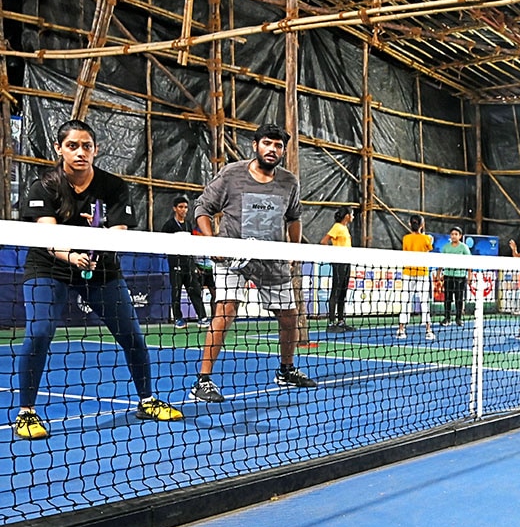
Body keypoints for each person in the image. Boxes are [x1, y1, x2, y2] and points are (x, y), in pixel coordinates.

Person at [14, 118, 183, 440]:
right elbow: (48, 236)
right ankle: (27, 413)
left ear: (96, 150)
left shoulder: (114, 187)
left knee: (133, 336)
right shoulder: (44, 186)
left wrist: (96, 249)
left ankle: (146, 400)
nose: (80, 152)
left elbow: (119, 230)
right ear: (59, 149)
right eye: (73, 146)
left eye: (87, 146)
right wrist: (72, 255)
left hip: (101, 268)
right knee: (39, 332)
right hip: (50, 267)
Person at [189, 122, 317, 403]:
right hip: (232, 257)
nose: (272, 150)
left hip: (271, 261)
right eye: (267, 144)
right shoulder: (232, 175)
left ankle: (285, 370)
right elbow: (202, 208)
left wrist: (294, 250)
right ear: (255, 145)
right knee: (225, 310)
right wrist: (213, 242)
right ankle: (203, 381)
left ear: (283, 150)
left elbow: (294, 217)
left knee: (289, 316)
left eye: (278, 145)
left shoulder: (289, 182)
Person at [160, 195, 210, 329]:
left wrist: (194, 264)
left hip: (188, 264)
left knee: (195, 290)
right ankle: (178, 319)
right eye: (181, 207)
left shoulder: (188, 225)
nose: (184, 210)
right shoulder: (169, 225)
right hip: (175, 264)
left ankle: (202, 317)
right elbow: (163, 243)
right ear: (175, 209)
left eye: (186, 207)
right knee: (175, 292)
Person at [397, 214, 435, 341]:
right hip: (422, 272)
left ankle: (402, 329)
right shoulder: (426, 239)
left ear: (410, 224)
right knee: (424, 301)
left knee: (405, 300)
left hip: (408, 272)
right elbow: (429, 248)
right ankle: (428, 330)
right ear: (422, 225)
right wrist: (429, 239)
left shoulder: (405, 238)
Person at [320, 207, 354, 332]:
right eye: (352, 215)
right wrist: (333, 255)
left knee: (343, 292)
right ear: (347, 216)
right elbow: (324, 241)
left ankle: (341, 321)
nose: (353, 217)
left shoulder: (344, 228)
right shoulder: (337, 227)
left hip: (346, 262)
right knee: (336, 291)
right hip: (339, 263)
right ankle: (331, 323)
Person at [438, 225, 470, 326]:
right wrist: (439, 274)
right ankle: (447, 318)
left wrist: (470, 276)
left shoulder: (464, 247)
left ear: (460, 236)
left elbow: (470, 262)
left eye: (456, 234)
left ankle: (458, 318)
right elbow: (440, 262)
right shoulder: (446, 247)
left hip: (460, 277)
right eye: (452, 234)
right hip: (448, 276)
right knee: (447, 298)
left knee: (459, 299)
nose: (454, 236)